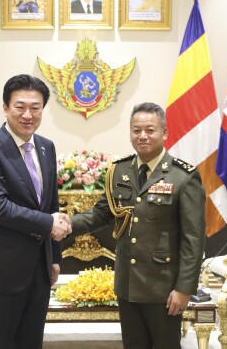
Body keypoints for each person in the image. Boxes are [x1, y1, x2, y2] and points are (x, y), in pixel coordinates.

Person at [67, 102, 206, 349]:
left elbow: (193, 239)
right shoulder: (119, 171)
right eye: (136, 130)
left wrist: (184, 288)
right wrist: (64, 224)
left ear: (164, 133)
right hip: (128, 284)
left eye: (150, 130)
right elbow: (100, 214)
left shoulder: (183, 177)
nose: (142, 136)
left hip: (163, 287)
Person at [0, 74, 72, 349]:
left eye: (35, 107)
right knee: (1, 343)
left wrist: (54, 257)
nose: (28, 114)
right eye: (20, 106)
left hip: (39, 269)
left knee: (31, 342)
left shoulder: (45, 147)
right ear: (5, 108)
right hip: (4, 270)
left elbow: (51, 205)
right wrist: (49, 224)